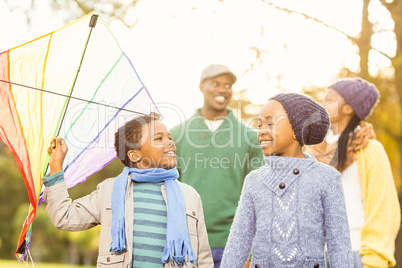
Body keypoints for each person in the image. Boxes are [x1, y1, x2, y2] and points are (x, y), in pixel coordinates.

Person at [43, 115, 213, 267]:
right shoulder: (109, 191)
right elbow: (65, 217)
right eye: (159, 138)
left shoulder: (189, 196)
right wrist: (56, 166)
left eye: (169, 137)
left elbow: (203, 258)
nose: (170, 142)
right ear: (134, 155)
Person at [220, 93, 353, 268]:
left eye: (270, 123)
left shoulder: (327, 178)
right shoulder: (254, 181)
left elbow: (340, 246)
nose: (261, 131)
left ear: (298, 128)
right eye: (259, 125)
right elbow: (238, 242)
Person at [170, 64, 264, 267]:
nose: (222, 89)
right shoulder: (175, 135)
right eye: (215, 83)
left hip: (235, 243)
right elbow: (166, 191)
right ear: (201, 87)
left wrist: (251, 250)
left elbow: (260, 196)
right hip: (187, 243)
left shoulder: (250, 138)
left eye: (228, 85)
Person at [308, 78, 401, 268]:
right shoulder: (315, 150)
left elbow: (384, 210)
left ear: (348, 108)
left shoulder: (370, 149)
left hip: (355, 254)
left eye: (329, 99)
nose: (322, 104)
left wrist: (373, 261)